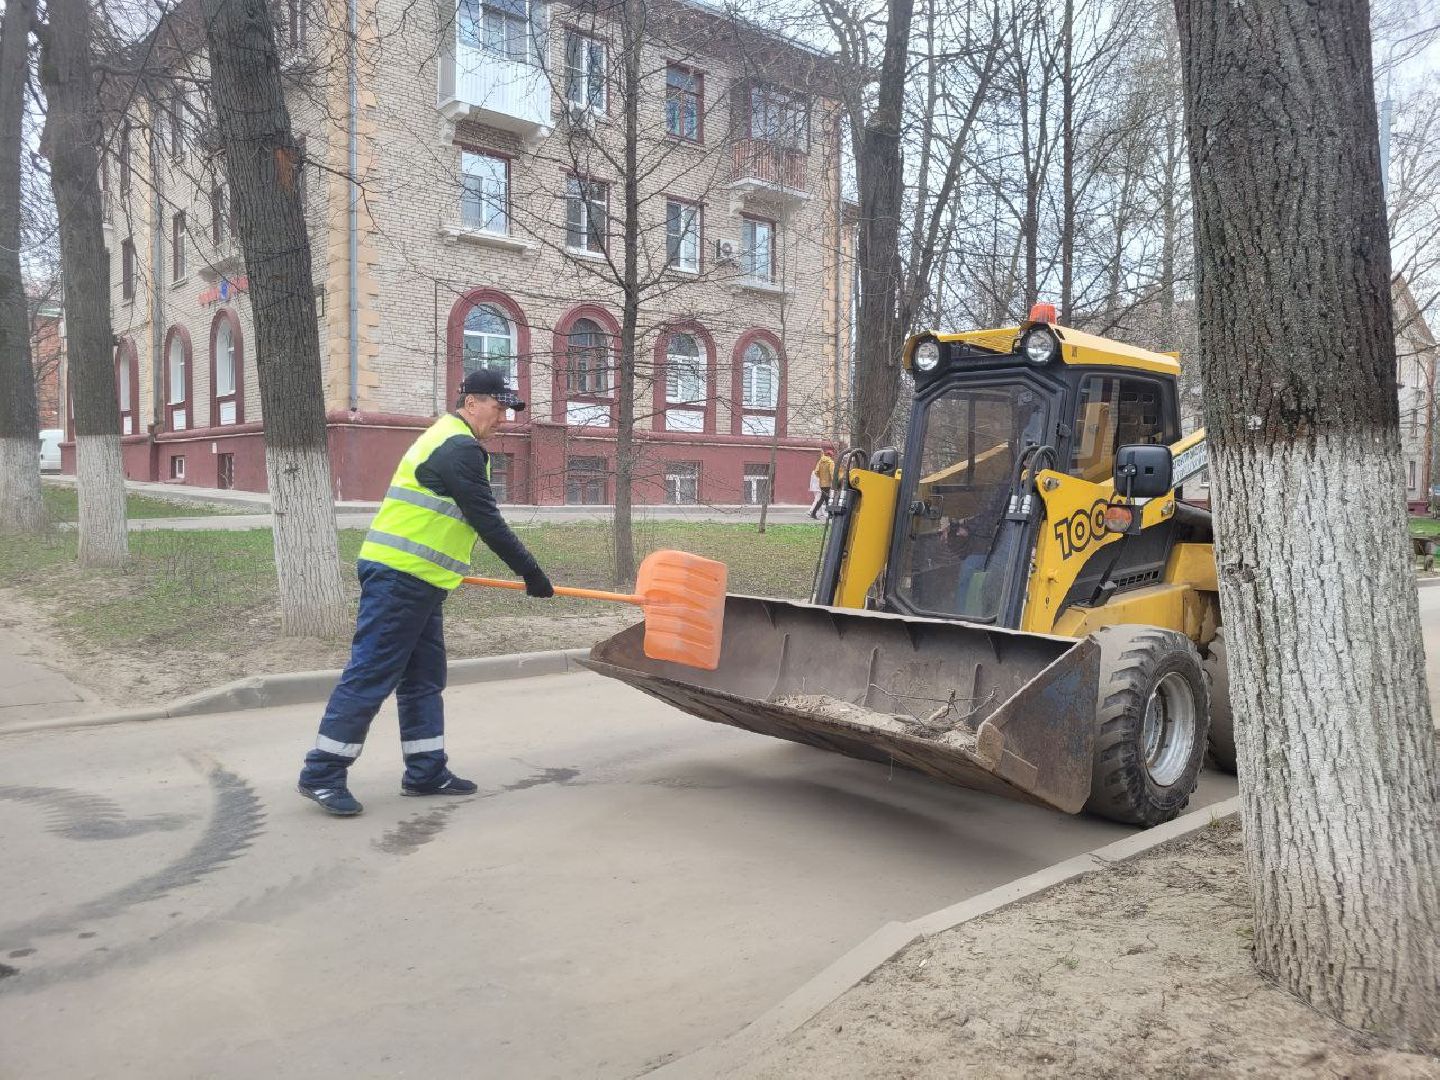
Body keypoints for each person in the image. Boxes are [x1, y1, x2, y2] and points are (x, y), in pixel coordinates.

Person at [296, 368, 554, 816]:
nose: (504, 418)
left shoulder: (452, 440)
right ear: (472, 401)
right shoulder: (457, 448)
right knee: (371, 674)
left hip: (422, 581)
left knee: (423, 680)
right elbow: (486, 520)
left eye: (508, 410)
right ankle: (321, 772)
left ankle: (426, 770)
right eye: (499, 407)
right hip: (401, 577)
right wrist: (532, 574)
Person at [809, 445, 836, 519]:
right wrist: (834, 481)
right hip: (827, 483)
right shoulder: (831, 462)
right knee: (823, 499)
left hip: (821, 483)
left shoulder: (820, 461)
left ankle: (830, 514)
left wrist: (821, 478)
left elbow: (816, 471)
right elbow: (832, 473)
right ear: (830, 455)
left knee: (826, 498)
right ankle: (814, 513)